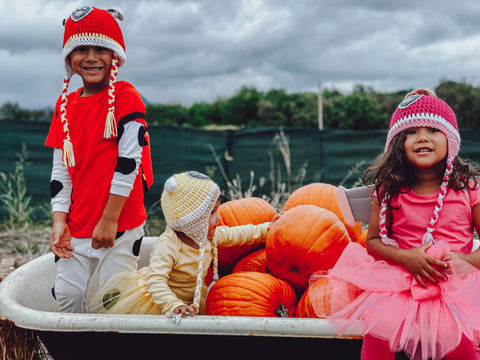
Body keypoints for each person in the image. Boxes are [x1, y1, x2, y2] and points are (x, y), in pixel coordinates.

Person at [310, 89, 480, 360]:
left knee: (461, 343)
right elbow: (373, 243)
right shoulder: (389, 190)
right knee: (379, 331)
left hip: (456, 283)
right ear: (397, 143)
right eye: (411, 132)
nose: (422, 137)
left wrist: (467, 261)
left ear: (451, 141)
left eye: (433, 130)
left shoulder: (467, 189)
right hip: (401, 280)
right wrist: (406, 258)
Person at [45, 6, 153, 313]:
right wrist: (59, 220)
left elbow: (129, 161)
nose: (91, 57)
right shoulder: (64, 106)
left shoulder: (125, 97)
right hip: (78, 223)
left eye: (101, 49)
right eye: (81, 49)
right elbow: (61, 171)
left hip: (119, 223)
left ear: (115, 55)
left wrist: (109, 219)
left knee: (114, 300)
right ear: (69, 57)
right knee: (66, 294)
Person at [89, 171, 272, 317]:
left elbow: (241, 234)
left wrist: (270, 228)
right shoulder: (168, 246)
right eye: (212, 213)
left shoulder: (208, 236)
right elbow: (156, 281)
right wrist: (173, 304)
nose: (219, 218)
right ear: (191, 220)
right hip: (160, 300)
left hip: (190, 298)